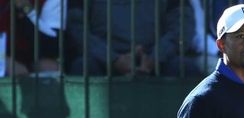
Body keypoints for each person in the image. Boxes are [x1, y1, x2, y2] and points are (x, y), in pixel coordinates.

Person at [66, 0, 199, 76]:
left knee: (184, 67)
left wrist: (155, 57)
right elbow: (77, 29)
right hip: (102, 61)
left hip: (156, 59)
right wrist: (112, 59)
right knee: (83, 67)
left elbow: (182, 26)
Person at [1, 0, 63, 76]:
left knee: (50, 68)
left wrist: (28, 10)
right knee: (15, 71)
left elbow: (52, 45)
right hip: (3, 53)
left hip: (30, 54)